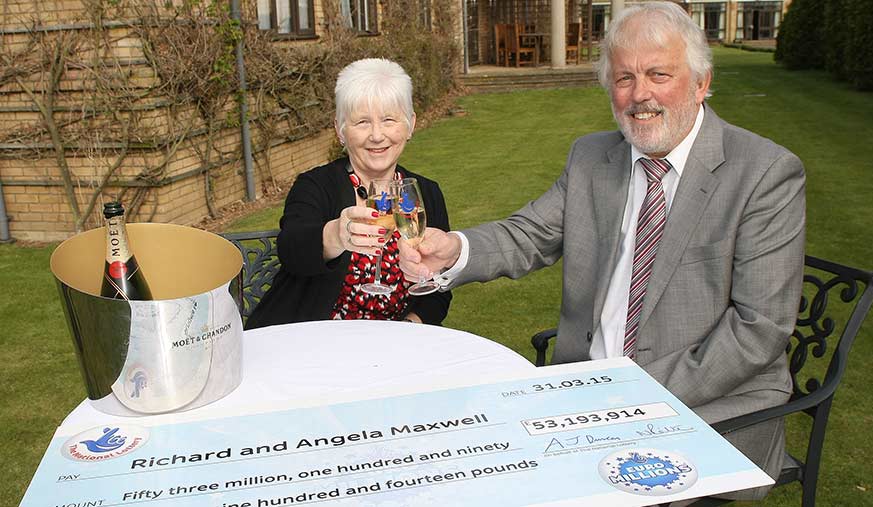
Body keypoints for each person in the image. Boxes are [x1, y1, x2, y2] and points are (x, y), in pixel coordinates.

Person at [399, 2, 804, 500]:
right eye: (624, 77)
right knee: (465, 465)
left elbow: (758, 330)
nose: (641, 95)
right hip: (585, 390)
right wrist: (453, 250)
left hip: (704, 402)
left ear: (701, 83)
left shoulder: (764, 173)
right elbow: (528, 233)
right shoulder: (593, 157)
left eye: (659, 74)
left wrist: (628, 397)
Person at [246, 58, 451, 329]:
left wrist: (409, 327)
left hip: (397, 344)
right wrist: (336, 235)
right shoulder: (316, 185)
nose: (377, 135)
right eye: (362, 122)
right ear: (340, 130)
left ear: (410, 125)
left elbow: (440, 285)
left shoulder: (425, 193)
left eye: (389, 120)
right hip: (314, 341)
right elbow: (291, 249)